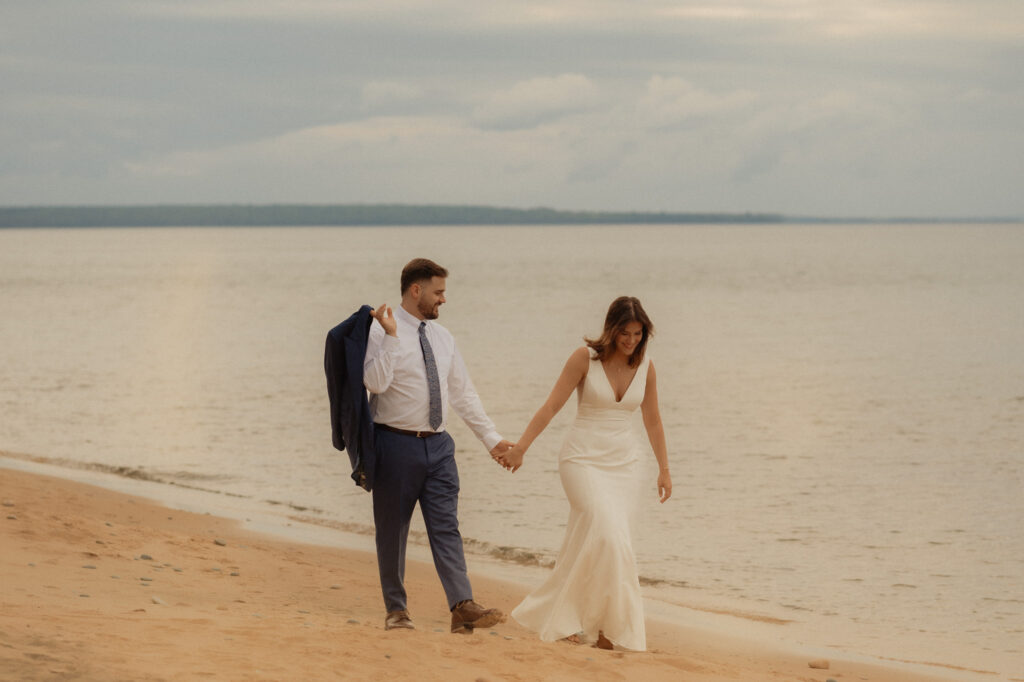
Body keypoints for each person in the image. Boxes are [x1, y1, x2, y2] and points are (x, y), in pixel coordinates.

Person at [495, 296, 671, 651]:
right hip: (581, 459)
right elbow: (552, 405)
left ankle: (604, 627)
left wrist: (664, 469)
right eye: (625, 333)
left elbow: (652, 419)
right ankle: (577, 619)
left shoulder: (647, 367)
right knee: (603, 531)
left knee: (611, 540)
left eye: (638, 334)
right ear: (611, 328)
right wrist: (521, 448)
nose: (631, 341)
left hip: (624, 466)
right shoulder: (584, 360)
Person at [364, 257, 514, 634]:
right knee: (392, 531)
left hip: (440, 448)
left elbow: (463, 395)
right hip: (394, 445)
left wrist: (492, 440)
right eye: (439, 292)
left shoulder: (444, 338)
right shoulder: (380, 332)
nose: (443, 299)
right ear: (417, 290)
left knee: (447, 527)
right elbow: (374, 384)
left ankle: (461, 605)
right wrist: (393, 337)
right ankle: (396, 610)